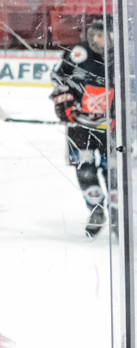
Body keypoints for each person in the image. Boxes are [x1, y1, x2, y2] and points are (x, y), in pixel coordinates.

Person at [51, 15, 113, 237]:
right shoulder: (78, 54)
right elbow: (59, 79)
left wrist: (127, 116)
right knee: (85, 170)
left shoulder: (123, 57)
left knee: (114, 171)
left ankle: (117, 211)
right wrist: (65, 103)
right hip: (80, 129)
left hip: (111, 130)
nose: (95, 39)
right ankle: (95, 210)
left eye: (101, 35)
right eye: (93, 34)